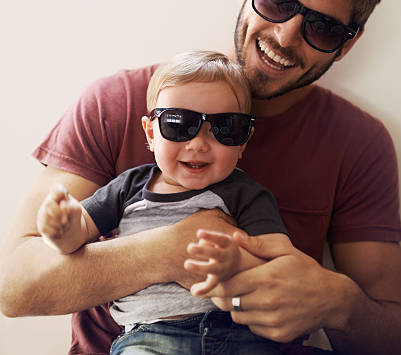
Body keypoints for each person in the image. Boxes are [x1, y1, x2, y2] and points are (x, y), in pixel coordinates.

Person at [0, 0, 401, 355]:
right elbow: (16, 285)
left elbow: (390, 337)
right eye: (277, 0)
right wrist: (175, 247)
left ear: (347, 43)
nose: (286, 35)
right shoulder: (116, 101)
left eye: (323, 27)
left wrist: (339, 304)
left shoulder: (357, 143)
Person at [36, 51, 290, 354]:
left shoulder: (245, 193)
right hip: (150, 336)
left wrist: (239, 264)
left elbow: (282, 268)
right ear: (150, 133)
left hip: (237, 335)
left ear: (244, 141)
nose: (198, 144)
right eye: (179, 125)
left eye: (226, 129)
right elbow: (74, 240)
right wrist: (60, 228)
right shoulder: (128, 188)